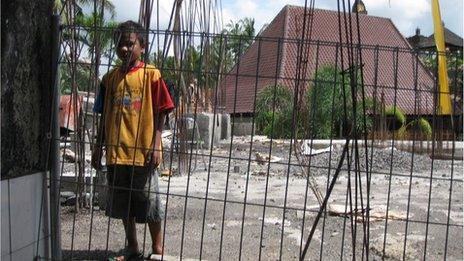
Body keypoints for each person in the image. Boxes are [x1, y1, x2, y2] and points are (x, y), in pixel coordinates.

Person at [92, 20, 174, 261]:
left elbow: (163, 110)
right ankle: (132, 246)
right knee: (123, 203)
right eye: (120, 44)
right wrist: (99, 146)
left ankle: (158, 248)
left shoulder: (152, 75)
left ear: (142, 46)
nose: (124, 49)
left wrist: (156, 142)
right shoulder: (108, 80)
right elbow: (103, 116)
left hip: (143, 153)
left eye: (129, 44)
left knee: (150, 202)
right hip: (116, 153)